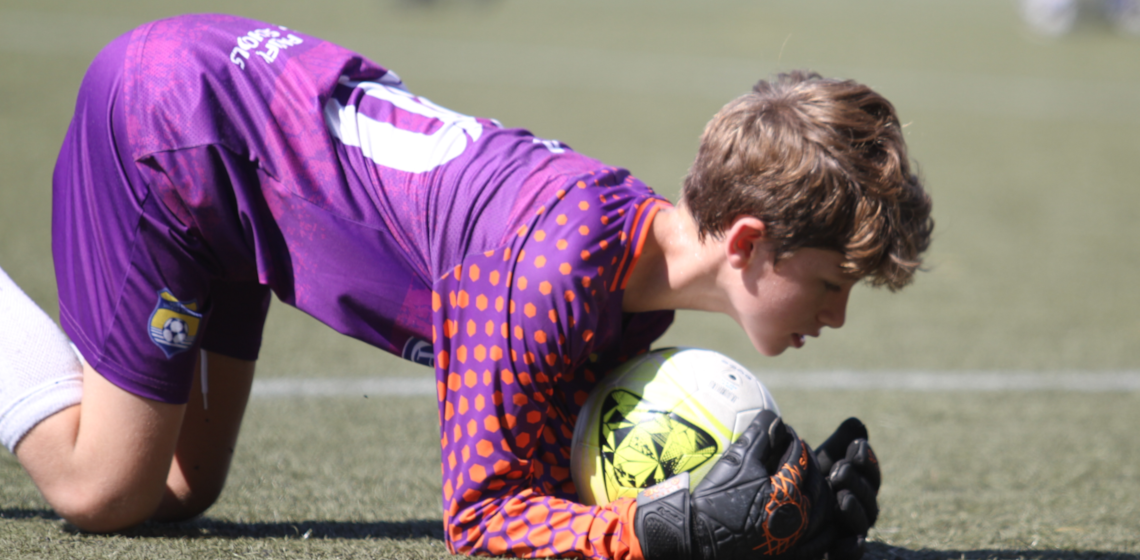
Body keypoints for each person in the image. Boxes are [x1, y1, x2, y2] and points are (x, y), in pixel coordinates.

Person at [0, 13, 931, 560]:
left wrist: (772, 517)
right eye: (828, 283)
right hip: (175, 130)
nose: (838, 315)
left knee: (182, 489)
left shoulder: (625, 266)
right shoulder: (552, 269)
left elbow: (539, 470)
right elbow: (484, 517)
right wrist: (654, 536)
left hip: (240, 133)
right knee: (104, 492)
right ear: (748, 242)